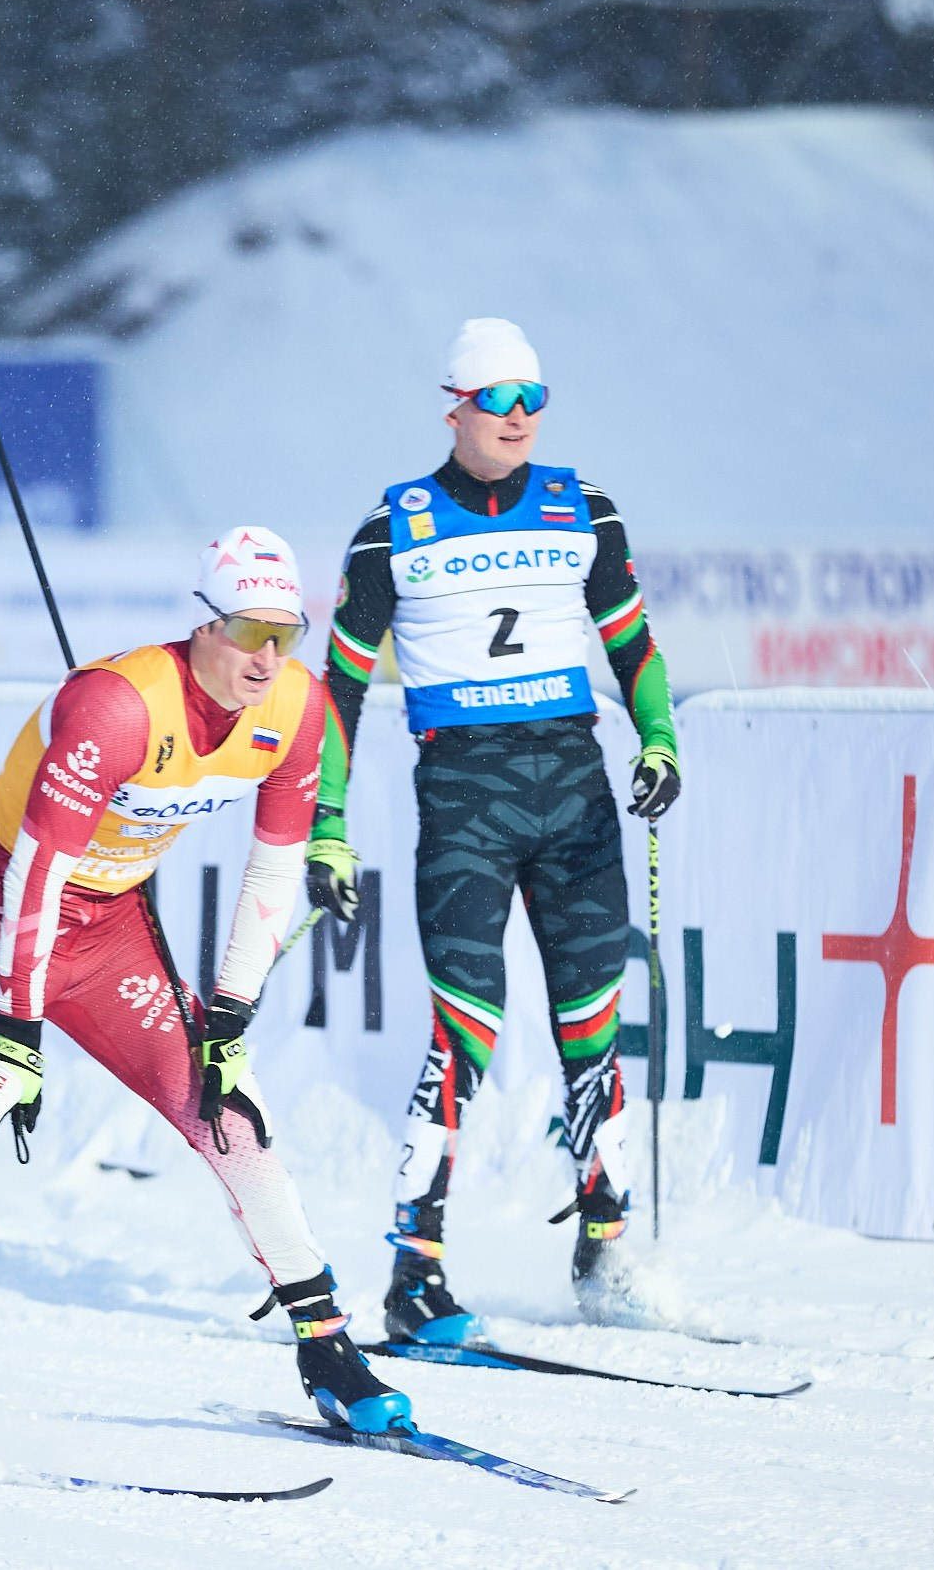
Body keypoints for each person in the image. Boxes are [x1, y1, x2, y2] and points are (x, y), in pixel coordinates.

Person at [0, 527, 413, 1437]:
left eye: (288, 631)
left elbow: (274, 867)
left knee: (228, 1109)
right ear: (203, 624)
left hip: (113, 923)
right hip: (2, 913)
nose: (267, 654)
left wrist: (231, 1015)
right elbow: (34, 875)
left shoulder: (298, 705)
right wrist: (18, 1034)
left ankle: (326, 1344)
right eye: (248, 629)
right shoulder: (118, 706)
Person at [306, 317, 681, 1339]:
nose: (518, 417)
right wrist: (326, 823)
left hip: (574, 789)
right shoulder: (397, 525)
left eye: (533, 398)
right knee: (462, 1032)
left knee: (591, 1028)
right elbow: (335, 688)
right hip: (465, 797)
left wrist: (657, 740)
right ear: (455, 407)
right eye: (497, 399)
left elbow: (634, 642)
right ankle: (413, 1270)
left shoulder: (582, 507)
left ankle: (604, 1239)